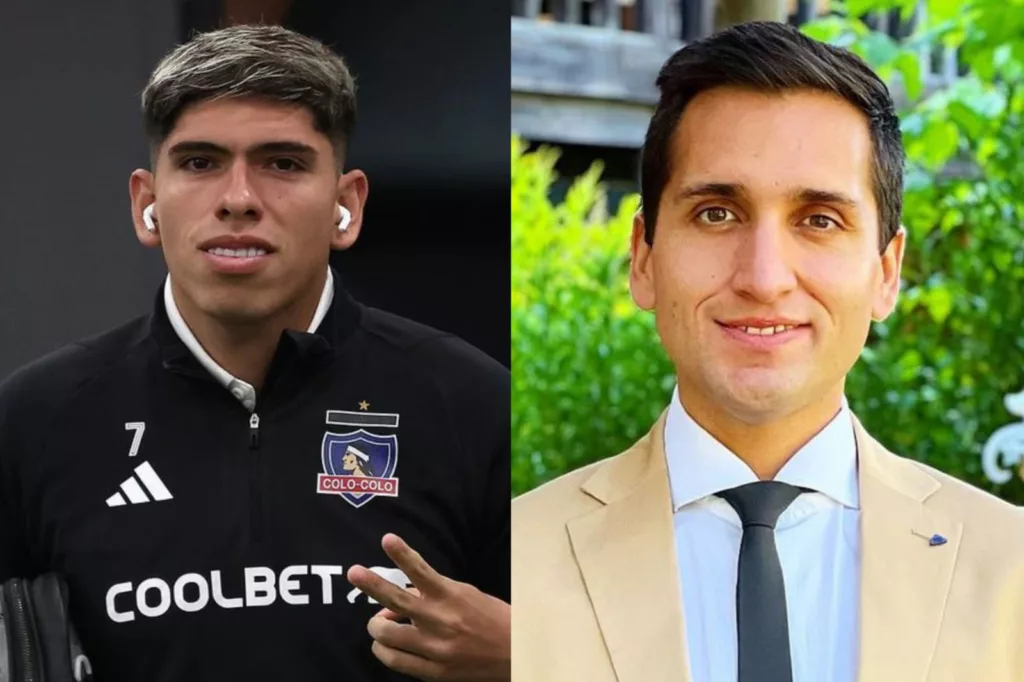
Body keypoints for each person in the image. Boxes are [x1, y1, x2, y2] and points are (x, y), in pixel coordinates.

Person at [511, 21, 1024, 682]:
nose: (764, 277)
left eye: (819, 220)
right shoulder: (516, 561)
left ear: (887, 272)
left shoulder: (1008, 569)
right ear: (643, 257)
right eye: (717, 213)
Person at [0, 24, 509, 682]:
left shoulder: (471, 403)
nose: (238, 200)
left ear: (345, 205)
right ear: (146, 204)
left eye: (284, 163)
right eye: (200, 162)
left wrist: (532, 656)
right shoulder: (39, 418)